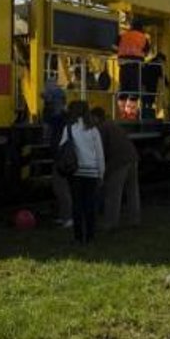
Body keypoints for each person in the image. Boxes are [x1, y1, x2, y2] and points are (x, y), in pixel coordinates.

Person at [58, 101, 105, 243]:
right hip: (92, 172)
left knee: (77, 205)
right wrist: (101, 173)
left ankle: (78, 237)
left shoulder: (69, 129)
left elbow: (62, 148)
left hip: (75, 172)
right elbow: (100, 154)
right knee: (90, 205)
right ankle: (90, 236)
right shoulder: (93, 130)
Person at [91, 107, 141, 230]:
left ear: (96, 117)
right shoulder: (113, 125)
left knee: (114, 193)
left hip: (118, 161)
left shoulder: (101, 128)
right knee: (132, 191)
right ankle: (134, 219)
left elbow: (100, 149)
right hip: (132, 157)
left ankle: (111, 222)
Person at [43, 76, 72, 226]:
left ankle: (67, 217)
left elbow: (48, 134)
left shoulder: (56, 118)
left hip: (61, 156)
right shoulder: (65, 117)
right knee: (60, 187)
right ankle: (64, 215)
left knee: (61, 188)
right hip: (61, 155)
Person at [116, 19, 151, 119]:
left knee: (123, 89)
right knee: (134, 90)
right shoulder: (143, 37)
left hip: (123, 65)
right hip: (136, 65)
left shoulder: (122, 35)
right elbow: (146, 52)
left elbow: (114, 47)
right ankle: (131, 114)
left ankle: (122, 113)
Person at [140, 52, 168, 119]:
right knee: (150, 100)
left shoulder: (148, 63)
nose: (162, 63)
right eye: (162, 61)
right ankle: (148, 115)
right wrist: (167, 83)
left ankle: (143, 115)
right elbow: (162, 75)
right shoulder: (157, 64)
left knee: (144, 100)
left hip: (144, 84)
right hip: (151, 84)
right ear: (160, 59)